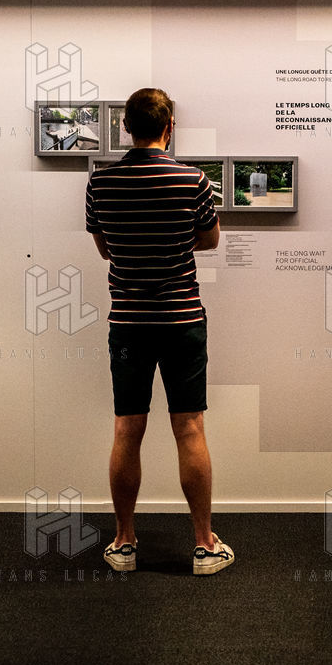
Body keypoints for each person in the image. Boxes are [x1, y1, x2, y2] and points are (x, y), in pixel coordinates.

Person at [85, 88, 234, 576]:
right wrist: (176, 240)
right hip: (181, 321)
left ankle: (125, 542)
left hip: (129, 324)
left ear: (126, 127)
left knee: (127, 429)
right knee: (189, 428)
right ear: (170, 127)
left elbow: (106, 249)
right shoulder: (193, 180)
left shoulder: (100, 182)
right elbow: (210, 239)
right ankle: (204, 545)